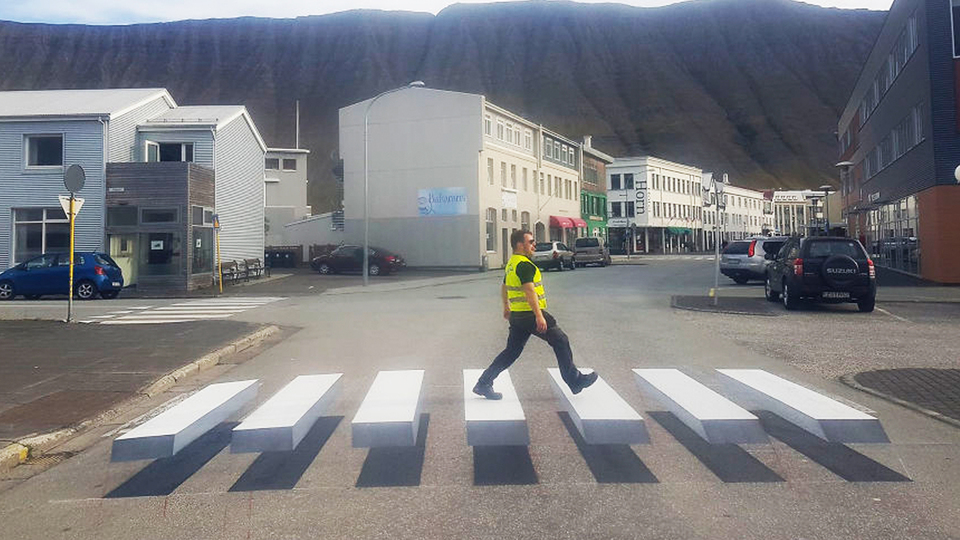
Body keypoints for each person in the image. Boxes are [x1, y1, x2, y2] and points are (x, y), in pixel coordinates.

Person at [473, 229, 598, 400]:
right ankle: (574, 380)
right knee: (561, 341)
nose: (534, 245)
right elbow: (529, 290)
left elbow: (504, 286)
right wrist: (539, 316)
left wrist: (506, 307)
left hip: (518, 315)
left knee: (511, 352)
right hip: (529, 314)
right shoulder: (524, 265)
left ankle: (483, 383)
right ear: (519, 244)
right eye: (531, 242)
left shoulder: (512, 263)